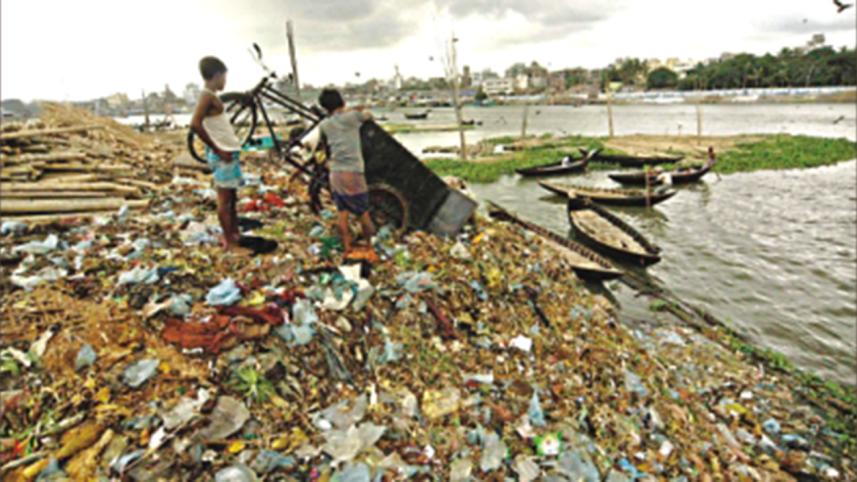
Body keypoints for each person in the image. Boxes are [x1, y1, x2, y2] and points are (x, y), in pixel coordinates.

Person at [190, 56, 247, 253]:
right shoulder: (206, 96)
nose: (225, 81)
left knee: (232, 197)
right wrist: (218, 149)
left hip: (229, 153)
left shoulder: (211, 96)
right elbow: (195, 124)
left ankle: (235, 234)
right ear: (216, 75)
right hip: (223, 155)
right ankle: (229, 242)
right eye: (224, 77)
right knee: (224, 200)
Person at [317, 88, 376, 256]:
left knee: (342, 212)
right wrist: (354, 109)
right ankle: (369, 246)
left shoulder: (325, 124)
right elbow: (368, 115)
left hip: (335, 173)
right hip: (353, 172)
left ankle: (347, 248)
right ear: (341, 102)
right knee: (363, 212)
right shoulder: (352, 118)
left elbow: (323, 144)